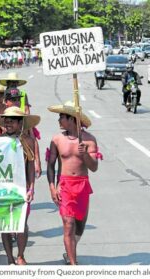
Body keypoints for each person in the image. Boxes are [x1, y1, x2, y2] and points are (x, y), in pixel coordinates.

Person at [46, 101, 99, 265]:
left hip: (82, 184)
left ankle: (69, 251)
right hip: (65, 185)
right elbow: (51, 165)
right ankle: (73, 264)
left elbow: (94, 167)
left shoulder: (89, 140)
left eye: (61, 117)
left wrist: (86, 155)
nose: (59, 120)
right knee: (68, 224)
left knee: (79, 225)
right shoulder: (56, 139)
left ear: (72, 119)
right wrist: (52, 187)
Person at [0, 106, 40, 265]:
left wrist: (31, 187)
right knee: (5, 224)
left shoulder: (29, 141)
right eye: (6, 121)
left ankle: (21, 255)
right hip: (4, 189)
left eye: (12, 121)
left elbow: (30, 166)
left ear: (20, 123)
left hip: (22, 188)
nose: (8, 124)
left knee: (22, 224)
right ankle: (10, 257)